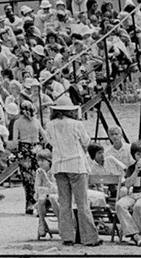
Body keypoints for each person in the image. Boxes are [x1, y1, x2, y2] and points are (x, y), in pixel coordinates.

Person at [46, 102, 100, 247]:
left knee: (64, 203)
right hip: (76, 164)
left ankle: (67, 236)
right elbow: (86, 141)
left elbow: (49, 141)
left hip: (59, 165)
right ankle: (89, 238)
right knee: (82, 203)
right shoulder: (76, 124)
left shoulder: (50, 124)